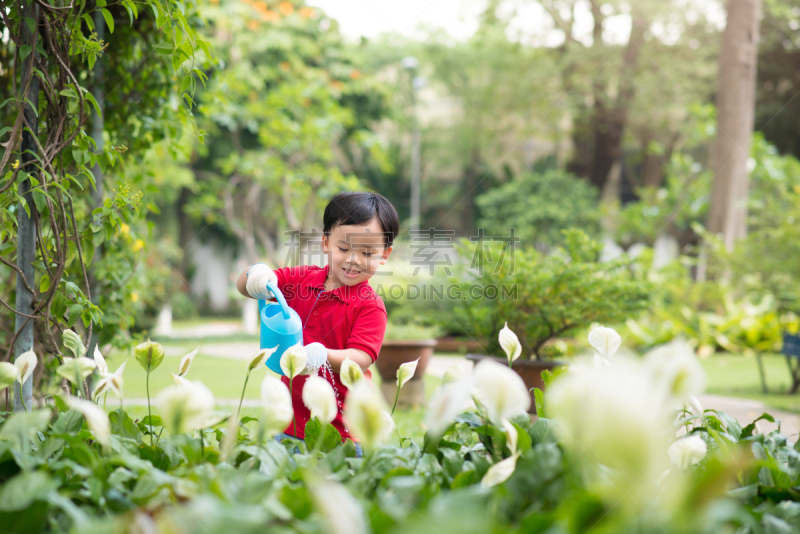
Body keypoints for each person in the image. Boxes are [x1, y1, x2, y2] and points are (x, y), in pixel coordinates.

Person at [236, 192, 399, 457]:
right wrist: (256, 275)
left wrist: (321, 355)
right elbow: (245, 286)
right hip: (290, 423)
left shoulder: (370, 305)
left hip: (346, 432)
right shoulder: (300, 280)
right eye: (343, 249)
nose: (353, 259)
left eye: (367, 252)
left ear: (385, 254)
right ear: (325, 243)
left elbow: (361, 358)